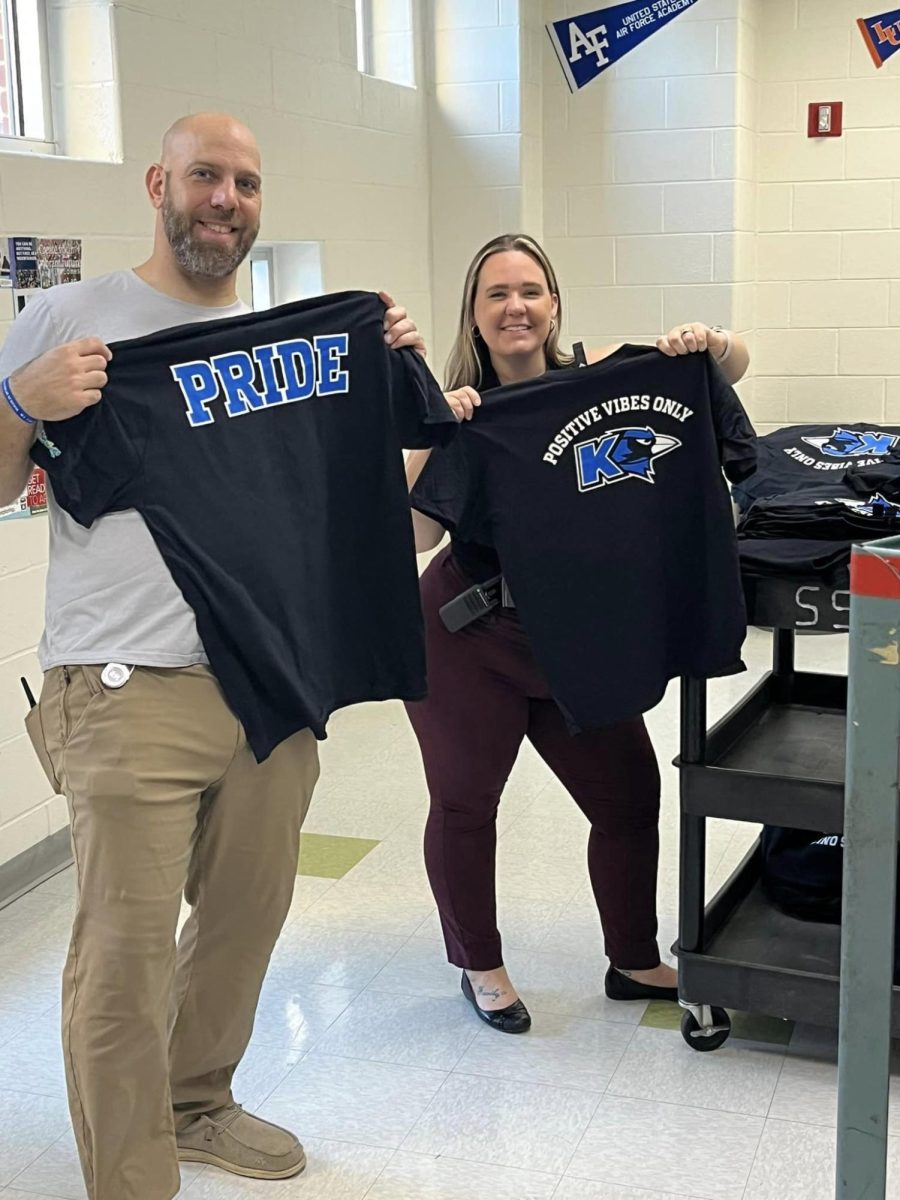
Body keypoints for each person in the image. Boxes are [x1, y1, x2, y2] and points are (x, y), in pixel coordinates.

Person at [0, 113, 426, 1200]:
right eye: (204, 175)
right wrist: (15, 402)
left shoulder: (288, 343)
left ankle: (197, 1100)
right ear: (158, 183)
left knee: (246, 921)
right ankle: (132, 1181)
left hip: (267, 682)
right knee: (125, 959)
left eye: (244, 181)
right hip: (122, 682)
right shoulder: (68, 316)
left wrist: (390, 376)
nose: (224, 197)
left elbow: (392, 512)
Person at [405, 232, 750, 1033]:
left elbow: (727, 373)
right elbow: (415, 538)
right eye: (496, 294)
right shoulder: (460, 411)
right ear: (475, 316)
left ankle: (632, 959)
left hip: (573, 642)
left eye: (529, 290)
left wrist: (708, 344)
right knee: (465, 805)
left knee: (630, 797)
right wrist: (431, 434)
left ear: (554, 303)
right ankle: (480, 966)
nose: (515, 306)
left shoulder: (604, 384)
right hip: (468, 638)